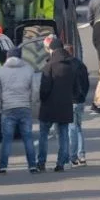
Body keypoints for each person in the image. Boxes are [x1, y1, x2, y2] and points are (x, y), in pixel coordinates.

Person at [0, 47, 39, 174]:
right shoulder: (28, 69)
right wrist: (30, 103)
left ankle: (3, 166)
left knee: (7, 139)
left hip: (8, 109)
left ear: (7, 57)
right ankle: (32, 165)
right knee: (27, 137)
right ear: (20, 56)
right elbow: (35, 90)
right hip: (24, 107)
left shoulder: (1, 71)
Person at [37, 38, 74, 172]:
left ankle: (41, 163)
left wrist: (42, 99)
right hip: (65, 106)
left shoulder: (49, 66)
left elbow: (44, 88)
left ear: (52, 50)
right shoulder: (70, 65)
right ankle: (61, 163)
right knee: (64, 134)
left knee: (43, 135)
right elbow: (75, 86)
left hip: (49, 106)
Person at [67, 44, 90, 166]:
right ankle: (82, 156)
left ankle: (73, 156)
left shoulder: (65, 66)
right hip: (80, 100)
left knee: (72, 128)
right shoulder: (81, 65)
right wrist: (83, 96)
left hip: (70, 101)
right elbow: (86, 83)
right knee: (79, 128)